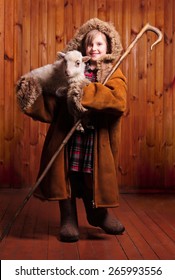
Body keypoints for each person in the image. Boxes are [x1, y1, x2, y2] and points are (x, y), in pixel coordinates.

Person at [16, 18, 127, 242]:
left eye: (99, 44)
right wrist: (31, 96)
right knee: (66, 174)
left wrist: (85, 93)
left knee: (90, 174)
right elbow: (52, 106)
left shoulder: (112, 73)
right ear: (83, 48)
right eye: (90, 44)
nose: (94, 49)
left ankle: (98, 213)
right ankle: (68, 218)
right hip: (67, 135)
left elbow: (119, 101)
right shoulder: (68, 70)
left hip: (95, 138)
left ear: (108, 47)